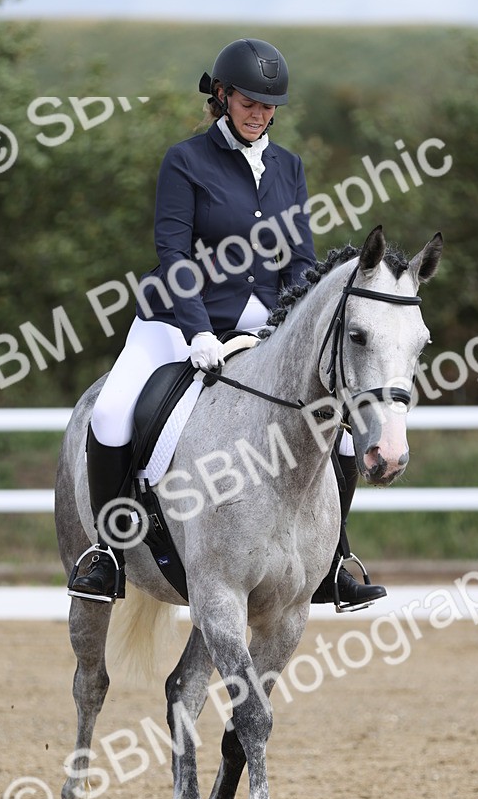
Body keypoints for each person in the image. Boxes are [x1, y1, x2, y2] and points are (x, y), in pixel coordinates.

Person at [69, 37, 386, 611]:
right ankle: (108, 553)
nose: (259, 115)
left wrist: (293, 329)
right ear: (222, 96)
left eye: (268, 106)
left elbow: (299, 261)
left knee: (335, 426)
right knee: (112, 412)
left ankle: (333, 560)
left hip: (262, 326)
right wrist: (197, 332)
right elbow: (174, 253)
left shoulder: (289, 167)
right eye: (248, 103)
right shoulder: (186, 161)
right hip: (175, 321)